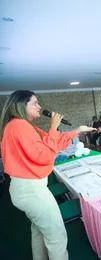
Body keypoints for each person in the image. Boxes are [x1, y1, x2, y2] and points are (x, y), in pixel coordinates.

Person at [0, 90, 95, 260]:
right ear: (21, 105)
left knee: (38, 231)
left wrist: (76, 131)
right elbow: (44, 155)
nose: (40, 107)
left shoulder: (23, 126)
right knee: (56, 237)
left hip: (26, 189)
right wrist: (52, 127)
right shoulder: (19, 125)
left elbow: (53, 144)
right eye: (35, 103)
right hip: (32, 190)